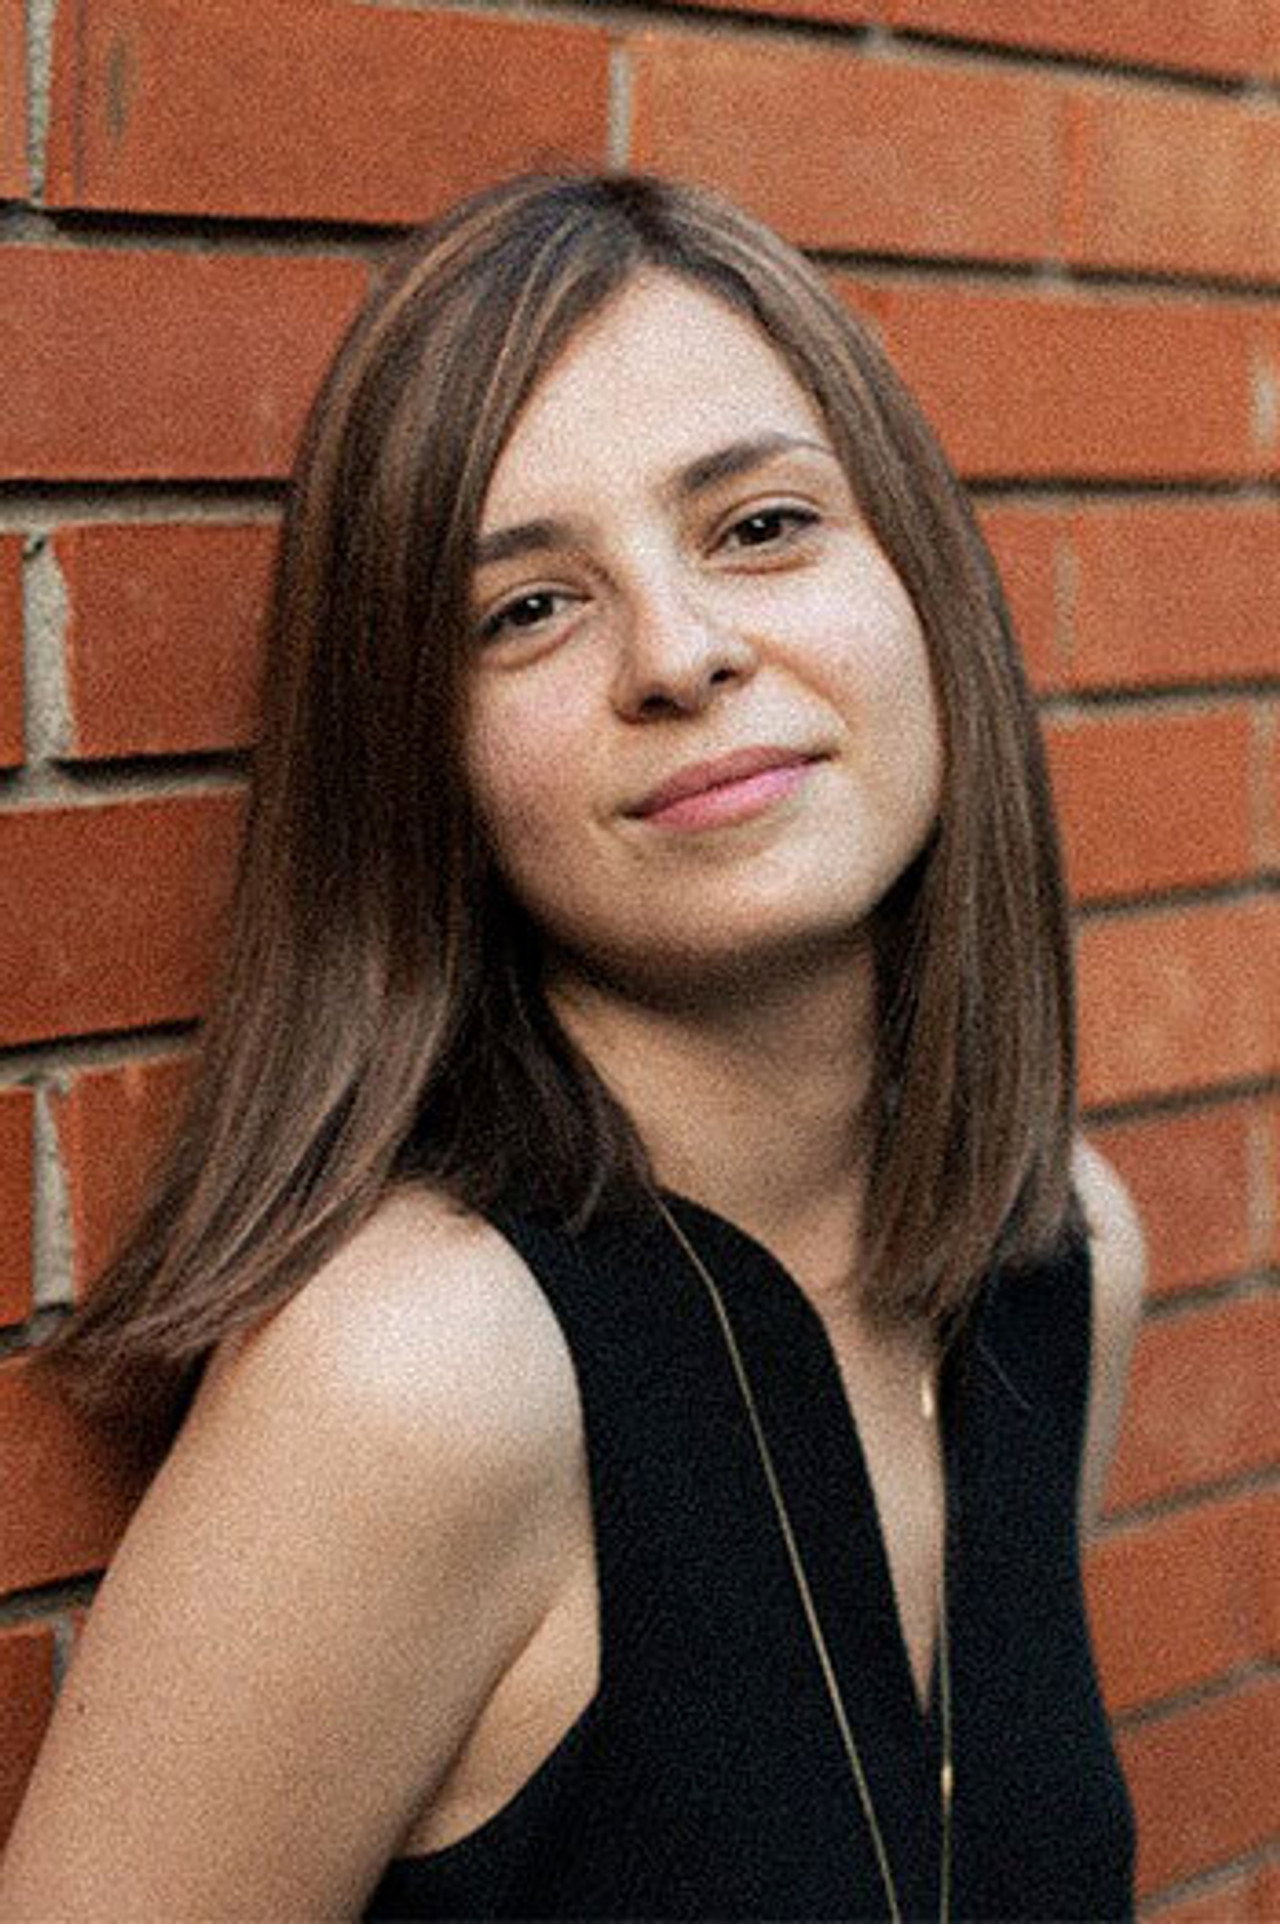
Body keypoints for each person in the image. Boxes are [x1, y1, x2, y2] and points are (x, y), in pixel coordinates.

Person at [0, 170, 1145, 1922]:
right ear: (426, 768)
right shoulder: (423, 1371)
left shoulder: (1064, 1253)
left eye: (761, 525)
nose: (679, 655)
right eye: (527, 609)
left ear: (925, 584)